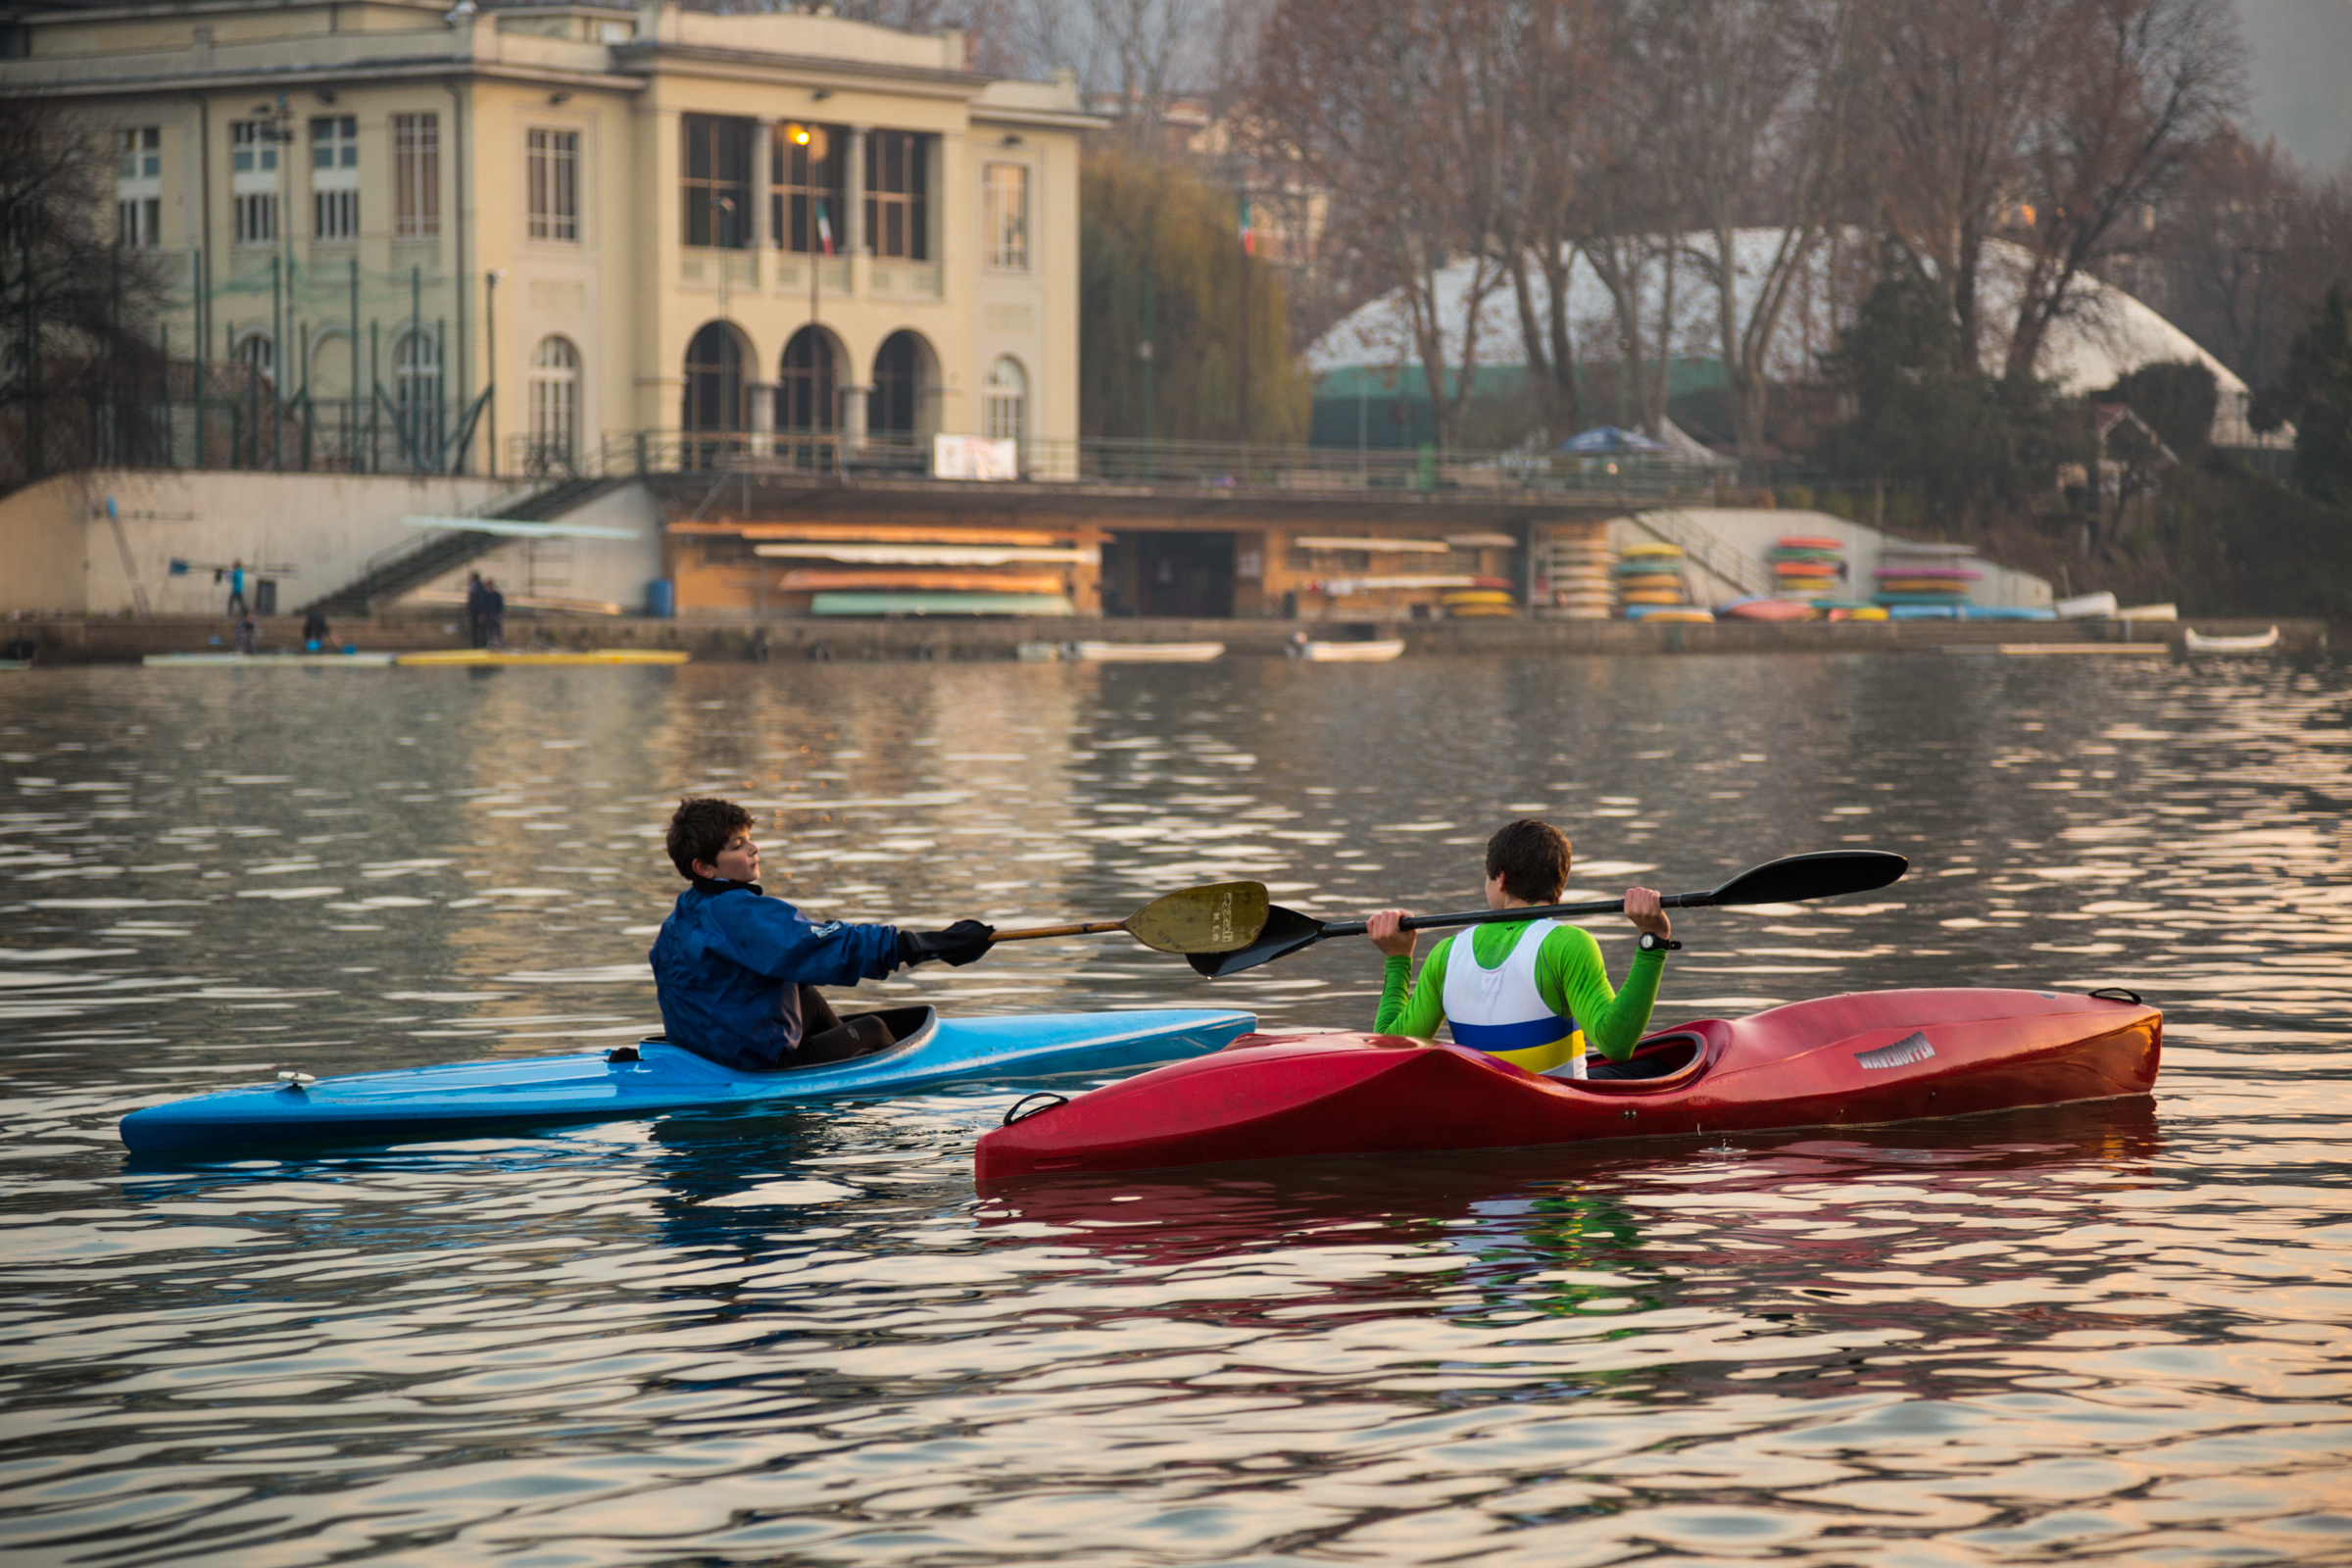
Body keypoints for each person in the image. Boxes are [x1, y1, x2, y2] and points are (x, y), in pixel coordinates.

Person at [649, 797, 996, 1070]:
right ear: (704, 867)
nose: (753, 849)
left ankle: (850, 1059)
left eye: (750, 839)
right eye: (737, 845)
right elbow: (823, 946)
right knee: (873, 1027)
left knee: (805, 996)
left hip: (700, 1055)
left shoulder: (683, 914)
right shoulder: (741, 914)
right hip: (749, 1064)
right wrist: (920, 945)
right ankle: (896, 1072)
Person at [1365, 817, 1677, 1080]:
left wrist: (1397, 958)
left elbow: (1389, 1050)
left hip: (1484, 1100)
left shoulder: (1445, 954)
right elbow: (1616, 1044)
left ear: (1500, 880)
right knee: (1659, 1065)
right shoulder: (1567, 944)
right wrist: (1653, 940)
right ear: (1560, 884)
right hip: (1559, 1107)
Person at [465, 571, 488, 648]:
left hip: (478, 613)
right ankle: (475, 646)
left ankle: (483, 645)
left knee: (481, 630)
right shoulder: (472, 587)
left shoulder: (480, 587)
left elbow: (481, 601)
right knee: (474, 630)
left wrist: (482, 613)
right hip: (473, 613)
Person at [481, 578, 506, 647]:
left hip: (496, 616)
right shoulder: (485, 596)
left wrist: (500, 614)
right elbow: (483, 606)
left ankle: (501, 645)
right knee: (489, 632)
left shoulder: (497, 596)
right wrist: (483, 615)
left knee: (498, 632)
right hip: (488, 616)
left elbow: (500, 606)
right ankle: (490, 645)